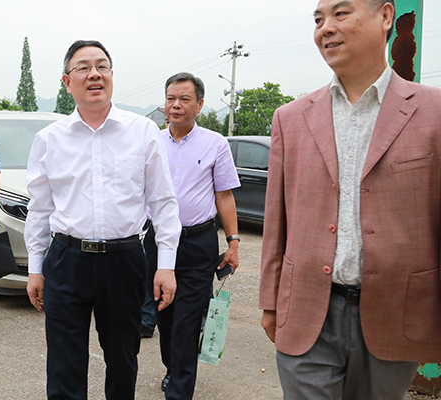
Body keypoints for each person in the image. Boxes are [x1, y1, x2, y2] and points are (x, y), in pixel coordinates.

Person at [259, 0, 441, 398]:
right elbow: (276, 221)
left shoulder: (434, 111)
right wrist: (270, 301)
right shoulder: (290, 118)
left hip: (396, 311)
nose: (325, 27)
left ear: (386, 16)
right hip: (306, 309)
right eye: (318, 19)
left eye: (341, 14)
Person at [25, 40, 182, 400]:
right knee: (64, 363)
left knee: (123, 358)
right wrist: (35, 268)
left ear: (111, 75)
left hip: (124, 261)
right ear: (67, 82)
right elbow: (40, 208)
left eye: (102, 66)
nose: (94, 74)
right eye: (83, 67)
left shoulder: (142, 131)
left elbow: (163, 201)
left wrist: (166, 265)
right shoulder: (49, 139)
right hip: (66, 260)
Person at [146, 73, 240, 399]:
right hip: (158, 241)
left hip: (198, 243)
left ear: (199, 105)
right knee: (165, 314)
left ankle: (180, 390)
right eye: (171, 98)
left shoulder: (215, 143)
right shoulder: (151, 142)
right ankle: (173, 368)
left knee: (187, 320)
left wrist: (233, 241)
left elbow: (224, 195)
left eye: (184, 99)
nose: (176, 105)